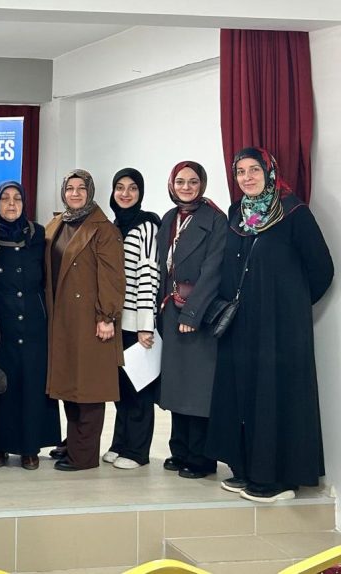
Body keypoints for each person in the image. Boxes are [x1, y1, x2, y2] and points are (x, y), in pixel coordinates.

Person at [206, 147, 334, 502]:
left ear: (269, 171)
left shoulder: (293, 212)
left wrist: (290, 307)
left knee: (273, 396)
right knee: (242, 394)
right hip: (239, 324)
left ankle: (278, 479)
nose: (246, 177)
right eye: (240, 171)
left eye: (254, 170)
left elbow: (322, 269)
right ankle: (246, 468)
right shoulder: (237, 213)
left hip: (279, 329)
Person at [44, 169, 125, 471]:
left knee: (89, 388)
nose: (75, 193)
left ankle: (84, 456)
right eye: (70, 188)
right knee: (70, 385)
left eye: (81, 188)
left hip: (92, 319)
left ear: (90, 192)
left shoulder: (104, 229)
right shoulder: (57, 223)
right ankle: (74, 443)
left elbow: (113, 277)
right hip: (63, 318)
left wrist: (107, 316)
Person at [154, 161, 227, 480]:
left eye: (193, 181)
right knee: (176, 384)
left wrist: (193, 313)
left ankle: (201, 457)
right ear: (172, 185)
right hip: (170, 311)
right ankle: (179, 449)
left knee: (198, 388)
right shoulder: (169, 217)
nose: (186, 187)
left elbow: (214, 270)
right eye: (180, 181)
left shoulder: (216, 219)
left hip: (197, 311)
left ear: (202, 184)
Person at [0, 181, 59, 471]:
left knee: (32, 383)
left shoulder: (37, 233)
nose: (12, 204)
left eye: (17, 198)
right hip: (0, 317)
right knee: (2, 383)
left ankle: (30, 447)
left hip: (33, 320)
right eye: (5, 199)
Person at [104, 168, 162, 470]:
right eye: (120, 187)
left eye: (132, 188)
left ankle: (138, 452)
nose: (125, 193)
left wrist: (145, 326)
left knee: (139, 389)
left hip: (136, 324)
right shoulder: (115, 225)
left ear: (140, 193)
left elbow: (149, 275)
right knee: (121, 389)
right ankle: (120, 443)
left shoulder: (146, 225)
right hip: (116, 322)